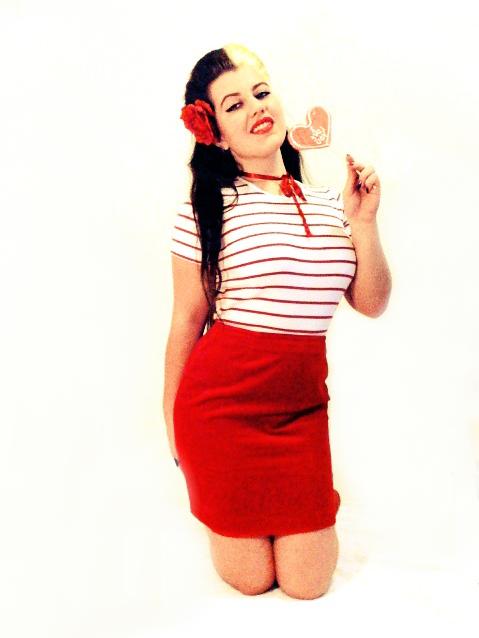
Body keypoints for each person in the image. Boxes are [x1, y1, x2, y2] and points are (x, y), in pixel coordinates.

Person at [163, 43, 392, 599]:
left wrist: (364, 223)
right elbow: (186, 322)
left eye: (261, 93)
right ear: (216, 133)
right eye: (234, 105)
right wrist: (172, 427)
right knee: (251, 581)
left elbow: (372, 302)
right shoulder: (206, 209)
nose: (256, 108)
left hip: (301, 412)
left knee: (307, 584)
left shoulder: (332, 204)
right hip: (220, 412)